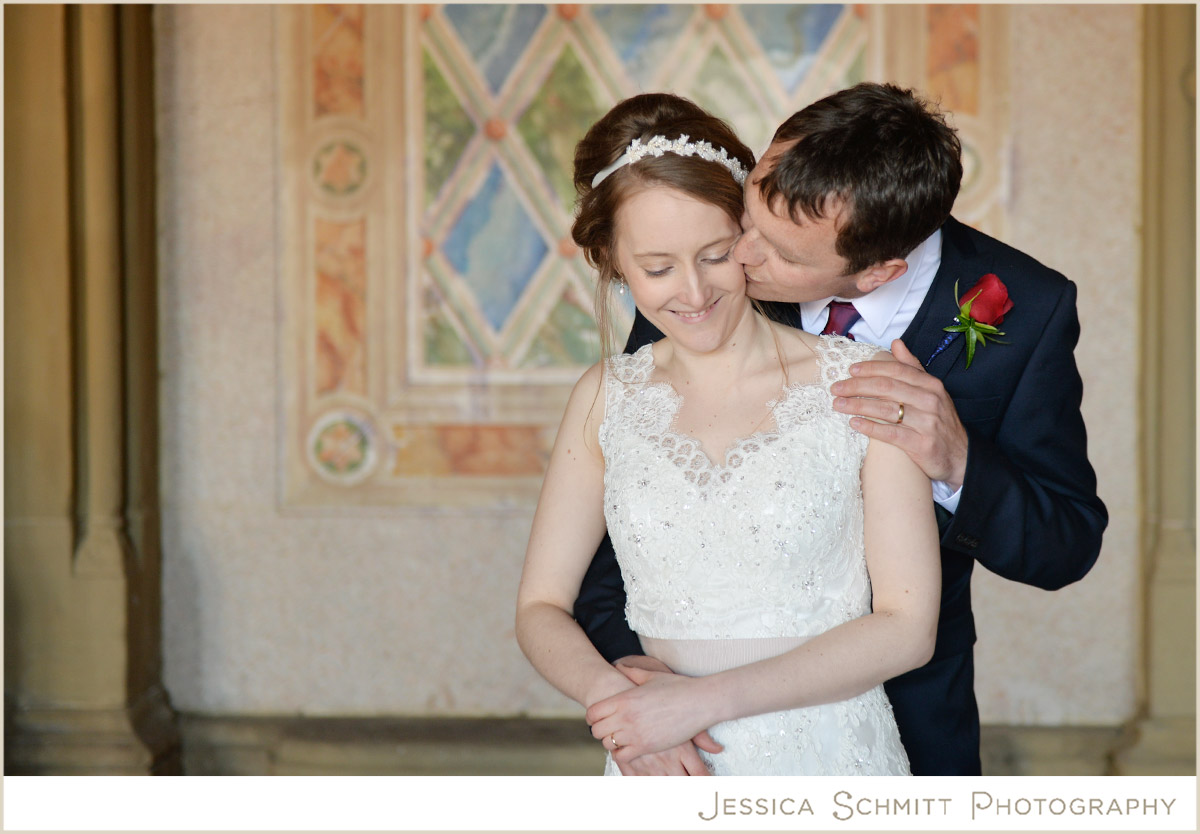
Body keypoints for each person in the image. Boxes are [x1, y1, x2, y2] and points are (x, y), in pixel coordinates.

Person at [575, 82, 1109, 775]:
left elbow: (1066, 544)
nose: (738, 259)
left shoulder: (1027, 308)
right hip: (689, 725)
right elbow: (636, 503)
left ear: (877, 272)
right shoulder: (705, 277)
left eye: (784, 255)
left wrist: (959, 465)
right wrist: (640, 701)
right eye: (750, 216)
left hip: (908, 716)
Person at [515, 92, 941, 776]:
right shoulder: (605, 398)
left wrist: (698, 704)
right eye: (657, 268)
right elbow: (539, 605)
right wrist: (621, 710)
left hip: (829, 755)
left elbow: (907, 627)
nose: (693, 291)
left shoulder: (862, 381)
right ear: (611, 260)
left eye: (715, 254)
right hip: (658, 756)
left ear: (747, 229)